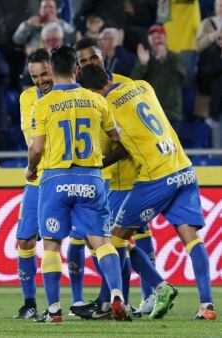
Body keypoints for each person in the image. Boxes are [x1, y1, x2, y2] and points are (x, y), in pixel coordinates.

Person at [79, 64, 217, 321]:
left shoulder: (106, 107)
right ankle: (207, 305)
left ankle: (115, 300)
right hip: (183, 167)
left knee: (117, 238)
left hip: (156, 177)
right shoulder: (143, 85)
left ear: (91, 91)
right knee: (192, 239)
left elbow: (117, 144)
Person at [27, 45, 129, 323]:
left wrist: (30, 169)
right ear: (77, 68)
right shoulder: (96, 100)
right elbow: (117, 137)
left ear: (51, 70)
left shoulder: (43, 104)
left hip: (56, 178)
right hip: (91, 178)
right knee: (102, 241)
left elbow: (37, 148)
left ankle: (54, 311)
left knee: (51, 245)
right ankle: (117, 295)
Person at [14, 48, 54, 320]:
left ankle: (110, 297)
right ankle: (29, 303)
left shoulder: (68, 94)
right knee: (25, 239)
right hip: (38, 179)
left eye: (44, 74)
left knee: (93, 238)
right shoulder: (26, 98)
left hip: (65, 175)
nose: (40, 81)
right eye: (34, 76)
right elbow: (31, 138)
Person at [131, 25, 186, 128]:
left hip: (171, 114)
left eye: (159, 37)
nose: (157, 40)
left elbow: (178, 80)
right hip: (150, 114)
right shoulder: (144, 59)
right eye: (153, 38)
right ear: (148, 40)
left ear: (165, 37)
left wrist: (164, 60)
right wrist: (142, 64)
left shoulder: (175, 57)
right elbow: (133, 84)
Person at [196, 0, 222, 148]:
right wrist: (214, 36)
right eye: (220, 5)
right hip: (210, 72)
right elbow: (198, 45)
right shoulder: (207, 23)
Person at [13, 0, 77, 55]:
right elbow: (17, 40)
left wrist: (60, 24)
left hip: (58, 61)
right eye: (44, 7)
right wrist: (26, 24)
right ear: (40, 10)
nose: (48, 10)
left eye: (50, 7)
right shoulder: (32, 25)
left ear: (56, 10)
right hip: (35, 60)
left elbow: (74, 39)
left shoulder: (62, 24)